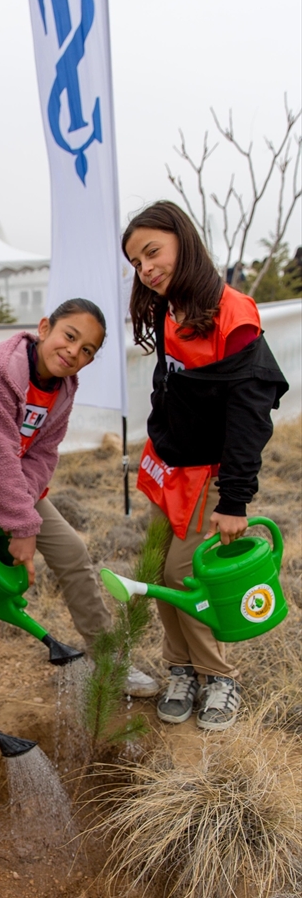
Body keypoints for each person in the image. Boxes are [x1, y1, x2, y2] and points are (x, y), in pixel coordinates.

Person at [0, 298, 159, 721]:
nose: (73, 352)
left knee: (72, 553)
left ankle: (108, 656)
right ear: (45, 327)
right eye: (70, 336)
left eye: (87, 350)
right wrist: (22, 527)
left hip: (15, 492)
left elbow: (43, 452)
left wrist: (21, 510)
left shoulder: (64, 389)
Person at [122, 201, 288, 730]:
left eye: (153, 252)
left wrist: (235, 498)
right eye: (136, 262)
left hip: (208, 476)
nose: (146, 269)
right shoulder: (168, 308)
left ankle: (219, 676)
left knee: (183, 574)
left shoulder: (233, 315)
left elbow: (249, 415)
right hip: (168, 467)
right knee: (157, 571)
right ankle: (181, 670)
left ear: (183, 240)